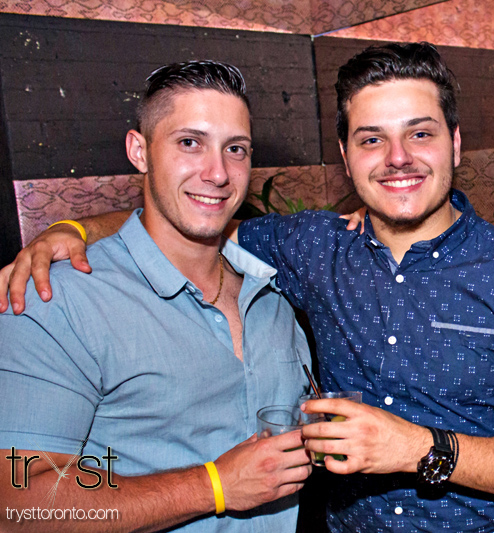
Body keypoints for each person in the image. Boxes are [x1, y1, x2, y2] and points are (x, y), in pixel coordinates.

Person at [0, 43, 494, 532]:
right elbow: (190, 219)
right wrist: (69, 230)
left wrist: (418, 448)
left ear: (454, 143)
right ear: (346, 157)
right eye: (372, 139)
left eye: (420, 134)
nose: (398, 158)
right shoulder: (312, 247)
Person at [0, 61, 313, 532]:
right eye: (190, 143)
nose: (218, 173)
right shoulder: (56, 300)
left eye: (235, 149)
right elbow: (17, 505)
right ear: (139, 151)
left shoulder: (272, 290)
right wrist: (213, 486)